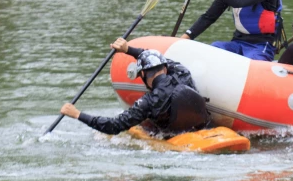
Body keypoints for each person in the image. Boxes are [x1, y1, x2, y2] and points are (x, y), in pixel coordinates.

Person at [60, 38, 211, 137]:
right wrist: (128, 49)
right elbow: (154, 58)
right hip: (204, 127)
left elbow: (114, 126)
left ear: (144, 73)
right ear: (165, 68)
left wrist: (77, 114)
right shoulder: (182, 72)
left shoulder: (149, 102)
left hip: (174, 136)